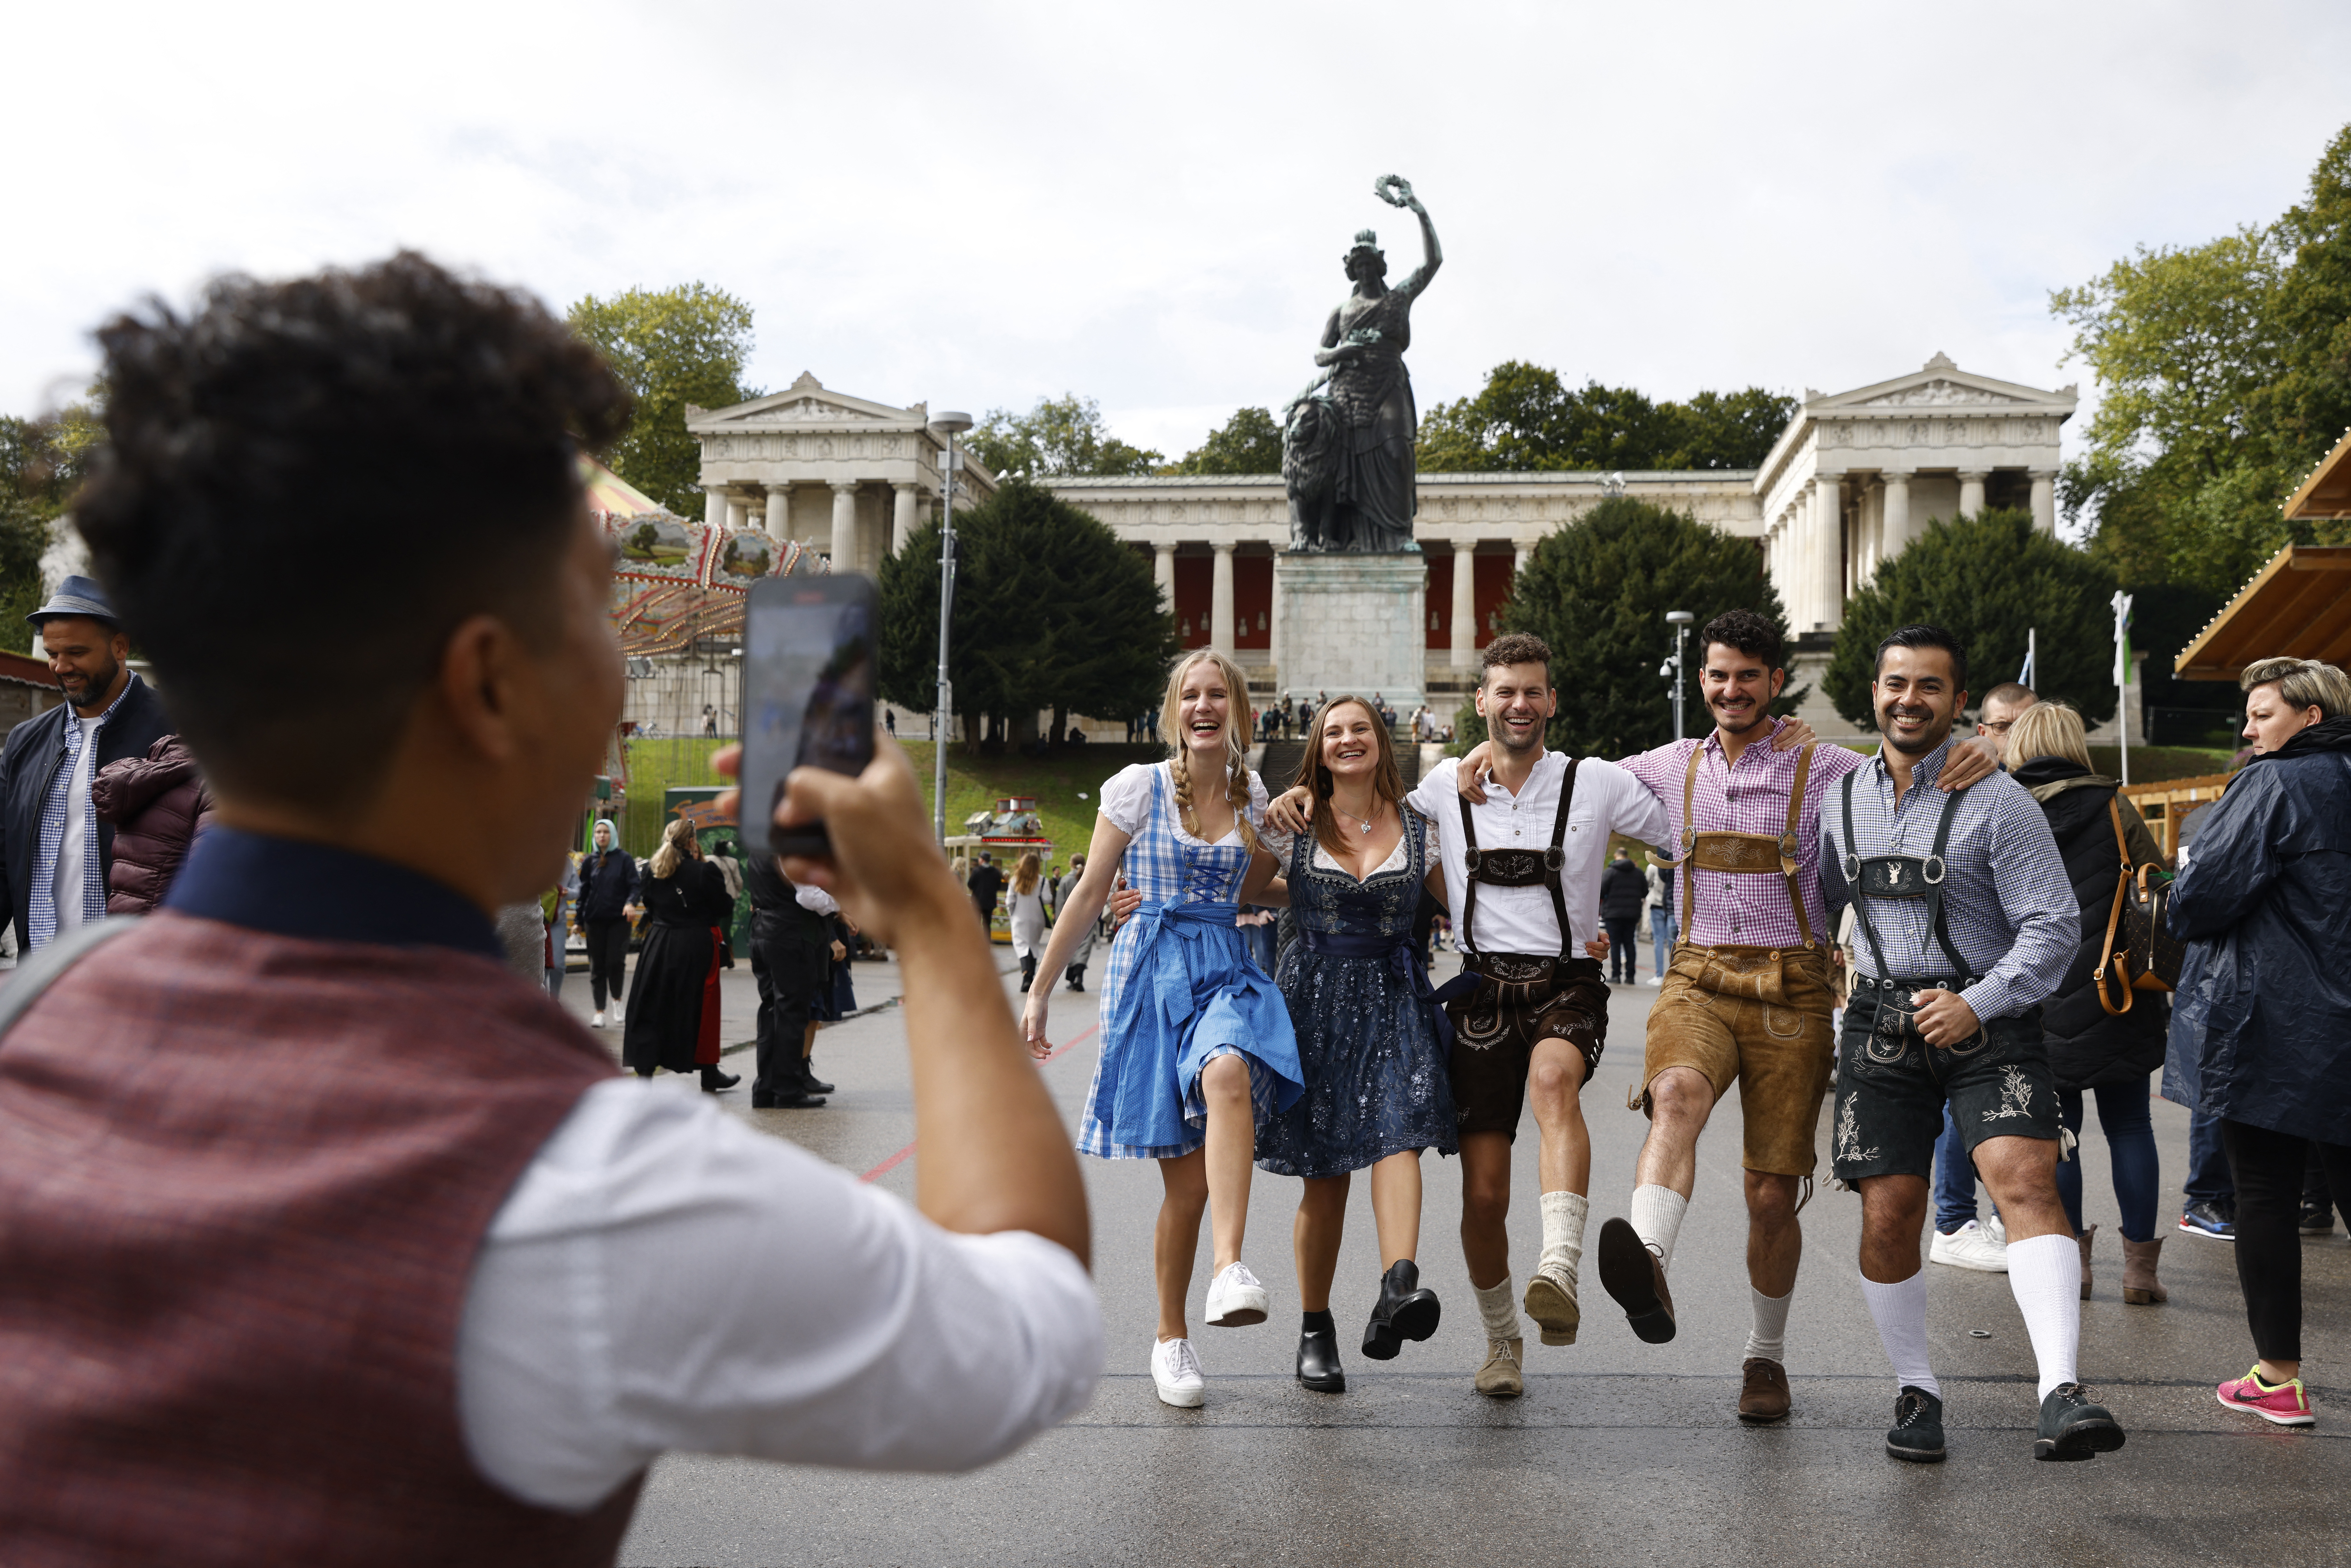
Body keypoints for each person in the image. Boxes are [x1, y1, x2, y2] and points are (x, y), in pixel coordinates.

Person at [0, 253, 1097, 1560]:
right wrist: (931, 915)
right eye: (595, 617)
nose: (620, 672)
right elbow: (1028, 1332)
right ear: (489, 684)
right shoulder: (574, 1174)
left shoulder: (40, 1021)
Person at [1281, 634, 1662, 1397]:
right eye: (1505, 692)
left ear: (1551, 700)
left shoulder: (1597, 781)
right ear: (1480, 701)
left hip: (1567, 982)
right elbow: (1360, 823)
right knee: (1482, 1196)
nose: (1520, 704)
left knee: (1552, 1082)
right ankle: (1501, 1339)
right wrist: (1289, 800)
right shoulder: (1438, 790)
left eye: (1533, 691)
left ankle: (1558, 1266)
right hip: (1481, 989)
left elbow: (1687, 824)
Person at [1820, 623, 2121, 1464]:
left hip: (1990, 1017)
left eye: (1929, 686)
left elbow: (2053, 927)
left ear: (1958, 702)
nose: (1909, 699)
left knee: (2023, 1178)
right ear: (1873, 693)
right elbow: (1817, 896)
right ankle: (1917, 1388)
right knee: (1889, 1209)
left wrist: (1976, 1002)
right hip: (1880, 1021)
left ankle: (2060, 1390)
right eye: (1896, 683)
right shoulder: (1836, 799)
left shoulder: (2002, 800)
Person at [1019, 648, 1304, 1410]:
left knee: (1228, 1069)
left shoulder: (1252, 793)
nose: (1203, 706)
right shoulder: (1137, 787)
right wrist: (1040, 990)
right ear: (1172, 710)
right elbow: (1089, 892)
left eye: (1218, 694)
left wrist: (1322, 875)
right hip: (1150, 974)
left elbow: (1258, 891)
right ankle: (1169, 1335)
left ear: (1239, 710)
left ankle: (1229, 1266)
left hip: (1223, 965)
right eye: (1190, 695)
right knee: (1185, 1186)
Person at [2165, 655, 2351, 1428]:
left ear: (2309, 716)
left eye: (2261, 713)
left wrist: (2177, 891)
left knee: (2266, 1196)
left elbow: (2200, 897)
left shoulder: (2270, 784)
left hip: (2274, 1019)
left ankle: (2277, 1377)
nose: (2247, 729)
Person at [1253, 696, 1456, 1394]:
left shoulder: (1421, 828)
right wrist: (1270, 828)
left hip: (1396, 996)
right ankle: (1316, 1328)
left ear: (1381, 741)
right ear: (1318, 747)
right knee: (1325, 1174)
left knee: (1401, 1135)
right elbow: (1245, 887)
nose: (1347, 739)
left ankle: (1398, 1285)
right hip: (1314, 1001)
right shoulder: (1294, 822)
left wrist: (1572, 932)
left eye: (1359, 729)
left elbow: (1469, 909)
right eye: (1333, 731)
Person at [2002, 700, 2169, 1305]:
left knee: (2059, 1133)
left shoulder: (2002, 806)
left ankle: (2073, 1265)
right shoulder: (2114, 806)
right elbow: (2157, 883)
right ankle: (2140, 1271)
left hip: (2035, 996)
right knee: (2130, 1126)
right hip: (2116, 992)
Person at [0, 575, 174, 951]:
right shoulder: (23, 744)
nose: (60, 667)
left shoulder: (181, 731)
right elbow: (3, 861)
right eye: (52, 653)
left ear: (120, 646)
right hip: (41, 971)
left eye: (76, 653)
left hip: (138, 968)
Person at [1929, 680, 2039, 1272]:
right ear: (1982, 730)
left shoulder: (2041, 791)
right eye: (2001, 726)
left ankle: (1998, 1218)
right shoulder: (1965, 785)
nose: (2013, 736)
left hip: (2035, 979)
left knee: (2021, 1110)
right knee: (1960, 1103)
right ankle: (1954, 1220)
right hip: (1968, 980)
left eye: (2025, 723)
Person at [622, 818, 740, 1092]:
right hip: (695, 943)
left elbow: (649, 904)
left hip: (658, 942)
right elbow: (723, 907)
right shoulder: (705, 870)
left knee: (651, 1005)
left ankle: (645, 1073)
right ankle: (709, 1073)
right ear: (691, 842)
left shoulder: (652, 869)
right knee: (701, 1007)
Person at [745, 847, 832, 1109]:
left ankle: (765, 1089)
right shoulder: (788, 848)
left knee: (770, 1010)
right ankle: (788, 1090)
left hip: (762, 930)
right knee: (791, 1013)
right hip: (787, 934)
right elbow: (809, 897)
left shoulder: (757, 850)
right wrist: (839, 903)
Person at [91, 734, 214, 915]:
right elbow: (209, 886)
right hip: (174, 928)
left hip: (130, 926)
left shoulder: (147, 775)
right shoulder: (219, 785)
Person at [577, 818, 636, 1028]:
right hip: (594, 920)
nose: (602, 836)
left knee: (615, 962)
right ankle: (599, 1011)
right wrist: (578, 921)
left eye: (606, 832)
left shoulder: (624, 859)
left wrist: (631, 903)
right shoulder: (589, 861)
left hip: (619, 920)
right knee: (597, 966)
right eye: (598, 832)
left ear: (613, 834)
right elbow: (584, 892)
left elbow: (635, 885)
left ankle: (617, 1000)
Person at [1598, 848, 1645, 984]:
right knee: (1630, 943)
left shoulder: (1610, 872)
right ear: (1627, 856)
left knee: (1615, 944)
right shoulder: (1638, 873)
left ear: (1616, 856)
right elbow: (1645, 892)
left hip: (1613, 914)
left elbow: (1601, 891)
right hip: (1632, 914)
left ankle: (1616, 975)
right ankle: (1630, 976)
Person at [1054, 853, 1098, 991]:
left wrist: (1058, 922)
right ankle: (1078, 976)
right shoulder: (1091, 879)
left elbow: (1060, 902)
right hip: (1088, 917)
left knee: (1070, 947)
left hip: (1069, 919)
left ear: (1071, 864)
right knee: (1084, 947)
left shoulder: (1066, 880)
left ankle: (1073, 978)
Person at [1005, 853, 1048, 993]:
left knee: (1021, 946)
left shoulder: (1015, 880)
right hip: (1037, 917)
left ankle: (1026, 975)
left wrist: (1012, 914)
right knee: (1033, 946)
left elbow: (1010, 901)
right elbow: (1047, 899)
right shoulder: (1042, 881)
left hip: (1019, 917)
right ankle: (1031, 976)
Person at [1642, 855, 1674, 987]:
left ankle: (1659, 975)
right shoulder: (1676, 865)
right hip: (1673, 905)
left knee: (1659, 941)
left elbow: (1647, 884)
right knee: (1673, 942)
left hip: (1657, 904)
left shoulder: (1653, 866)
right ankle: (1673, 975)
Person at [968, 851, 1005, 933]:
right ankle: (987, 940)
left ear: (982, 860)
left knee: (976, 924)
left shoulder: (976, 871)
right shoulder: (996, 872)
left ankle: (977, 940)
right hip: (990, 902)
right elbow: (998, 886)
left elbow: (970, 885)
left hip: (977, 902)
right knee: (987, 925)